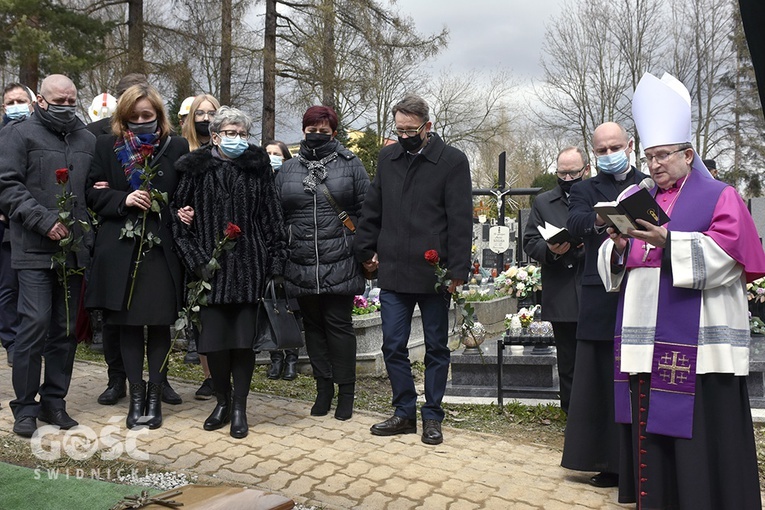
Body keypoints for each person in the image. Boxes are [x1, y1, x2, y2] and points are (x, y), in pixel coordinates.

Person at [599, 72, 765, 510]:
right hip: (645, 335)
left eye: (664, 156)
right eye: (650, 156)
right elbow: (617, 261)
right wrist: (618, 247)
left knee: (704, 430)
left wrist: (669, 242)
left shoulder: (720, 196)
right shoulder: (636, 196)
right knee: (650, 429)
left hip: (701, 340)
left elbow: (732, 258)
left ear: (688, 154)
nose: (654, 165)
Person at [355, 94, 473, 445]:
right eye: (399, 129)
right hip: (393, 270)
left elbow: (460, 218)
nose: (404, 136)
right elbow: (372, 207)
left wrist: (457, 270)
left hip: (433, 271)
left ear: (427, 126)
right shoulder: (388, 158)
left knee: (437, 347)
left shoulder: (451, 161)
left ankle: (433, 416)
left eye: (411, 130)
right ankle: (404, 412)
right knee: (393, 345)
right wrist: (365, 249)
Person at [173, 106, 287, 438]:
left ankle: (239, 407)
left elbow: (272, 216)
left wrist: (276, 264)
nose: (236, 138)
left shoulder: (257, 167)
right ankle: (221, 400)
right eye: (230, 132)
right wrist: (197, 262)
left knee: (242, 344)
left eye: (242, 133)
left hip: (250, 267)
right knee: (214, 344)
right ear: (215, 135)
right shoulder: (194, 169)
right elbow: (178, 220)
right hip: (209, 271)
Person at [85, 83, 189, 430]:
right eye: (134, 117)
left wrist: (181, 211)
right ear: (122, 117)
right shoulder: (106, 146)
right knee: (127, 327)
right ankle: (136, 398)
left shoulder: (175, 146)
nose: (141, 122)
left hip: (161, 248)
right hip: (120, 248)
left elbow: (185, 191)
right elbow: (91, 193)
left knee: (159, 325)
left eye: (147, 116)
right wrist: (122, 200)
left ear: (159, 116)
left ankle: (155, 398)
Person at [0, 74, 95, 437]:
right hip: (34, 249)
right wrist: (44, 220)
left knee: (65, 329)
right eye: (60, 101)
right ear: (41, 100)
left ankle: (54, 401)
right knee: (34, 325)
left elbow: (91, 191)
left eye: (72, 101)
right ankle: (24, 407)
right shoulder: (18, 134)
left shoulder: (86, 138)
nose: (67, 107)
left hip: (73, 252)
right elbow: (7, 184)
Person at [562, 121, 647, 487]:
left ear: (629, 145)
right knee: (600, 380)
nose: (609, 155)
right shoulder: (584, 188)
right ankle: (606, 461)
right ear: (593, 153)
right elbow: (576, 221)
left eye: (615, 148)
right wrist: (603, 215)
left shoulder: (648, 182)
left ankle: (642, 458)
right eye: (601, 151)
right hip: (601, 292)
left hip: (643, 288)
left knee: (637, 377)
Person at [275, 106, 369, 421]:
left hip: (339, 258)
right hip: (300, 260)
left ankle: (346, 392)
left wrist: (365, 250)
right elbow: (278, 213)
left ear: (334, 131)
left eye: (323, 129)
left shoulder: (350, 164)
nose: (316, 134)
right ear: (303, 131)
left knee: (339, 328)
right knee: (313, 329)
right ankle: (323, 388)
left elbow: (367, 210)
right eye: (310, 129)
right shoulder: (288, 170)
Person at [522, 146, 586, 413]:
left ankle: (600, 418)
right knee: (568, 361)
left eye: (574, 173)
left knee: (598, 360)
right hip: (561, 290)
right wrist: (549, 250)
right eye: (563, 173)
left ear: (586, 170)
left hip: (595, 287)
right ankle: (571, 415)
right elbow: (530, 241)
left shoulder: (597, 196)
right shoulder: (544, 202)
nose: (568, 178)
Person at [178, 93, 222, 400]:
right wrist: (180, 212)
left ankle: (227, 373)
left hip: (224, 240)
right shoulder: (182, 152)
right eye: (200, 113)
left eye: (211, 113)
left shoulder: (227, 151)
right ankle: (209, 375)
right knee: (200, 315)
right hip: (192, 244)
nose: (205, 118)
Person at [0, 83, 34, 368]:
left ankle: (32, 340)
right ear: (3, 108)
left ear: (32, 104)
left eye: (21, 100)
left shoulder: (40, 135)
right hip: (7, 228)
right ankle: (11, 342)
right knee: (9, 287)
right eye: (10, 102)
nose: (16, 105)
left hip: (34, 222)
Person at [264, 140, 299, 381]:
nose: (272, 157)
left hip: (290, 250)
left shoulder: (291, 183)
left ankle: (292, 359)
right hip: (266, 250)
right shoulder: (258, 180)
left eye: (277, 154)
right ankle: (275, 358)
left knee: (291, 306)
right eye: (268, 153)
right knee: (270, 303)